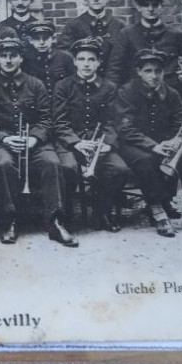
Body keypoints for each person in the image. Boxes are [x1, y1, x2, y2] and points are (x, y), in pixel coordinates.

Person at [0, 35, 78, 247]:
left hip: (34, 142)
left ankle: (55, 221)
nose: (8, 60)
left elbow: (46, 118)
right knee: (4, 164)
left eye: (13, 56)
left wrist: (34, 138)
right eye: (3, 56)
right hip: (2, 143)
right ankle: (10, 220)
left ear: (21, 58)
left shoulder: (36, 85)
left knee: (51, 163)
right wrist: (5, 138)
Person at [115, 49, 182, 238]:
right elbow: (124, 128)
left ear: (163, 72)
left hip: (166, 142)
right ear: (138, 71)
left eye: (158, 71)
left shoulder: (172, 94)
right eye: (148, 71)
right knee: (146, 160)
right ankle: (157, 212)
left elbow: (179, 122)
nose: (154, 76)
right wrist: (153, 145)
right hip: (134, 144)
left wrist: (173, 142)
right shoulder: (126, 92)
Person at [52, 38, 128, 233]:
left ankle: (102, 210)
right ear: (75, 62)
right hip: (70, 142)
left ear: (98, 63)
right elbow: (59, 122)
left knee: (119, 168)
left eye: (91, 59)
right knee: (67, 167)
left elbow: (113, 121)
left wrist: (107, 144)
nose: (86, 64)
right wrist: (76, 143)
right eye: (82, 59)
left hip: (98, 143)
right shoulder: (63, 86)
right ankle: (67, 213)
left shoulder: (109, 87)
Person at [108, 0, 182, 113]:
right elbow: (115, 67)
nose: (150, 9)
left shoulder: (175, 35)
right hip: (138, 96)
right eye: (145, 5)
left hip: (170, 94)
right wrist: (113, 94)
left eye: (155, 5)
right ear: (138, 7)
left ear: (161, 7)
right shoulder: (127, 34)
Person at [56, 0, 125, 72]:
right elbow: (64, 54)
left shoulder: (119, 25)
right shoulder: (73, 25)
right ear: (85, 1)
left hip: (112, 79)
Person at [22, 21, 75, 96]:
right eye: (37, 38)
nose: (41, 42)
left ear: (53, 39)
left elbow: (73, 85)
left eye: (45, 38)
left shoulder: (65, 58)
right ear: (31, 41)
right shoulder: (26, 60)